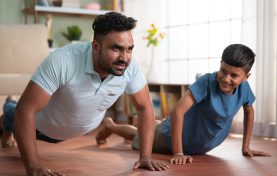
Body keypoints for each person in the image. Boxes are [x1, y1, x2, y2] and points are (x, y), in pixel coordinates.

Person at [3, 12, 168, 176]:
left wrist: (145, 156)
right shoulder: (63, 60)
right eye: (116, 48)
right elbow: (25, 110)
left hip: (83, 126)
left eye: (129, 49)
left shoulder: (130, 67)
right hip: (42, 127)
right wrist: (33, 167)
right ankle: (8, 108)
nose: (124, 58)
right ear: (96, 47)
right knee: (14, 112)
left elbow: (145, 107)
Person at [96, 44, 271, 165]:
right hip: (171, 137)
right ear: (220, 65)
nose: (226, 78)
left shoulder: (245, 89)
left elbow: (249, 110)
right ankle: (111, 126)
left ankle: (154, 124)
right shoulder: (207, 83)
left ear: (246, 77)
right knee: (140, 136)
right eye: (223, 70)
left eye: (234, 75)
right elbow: (178, 112)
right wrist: (178, 152)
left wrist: (246, 146)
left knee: (154, 127)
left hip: (197, 143)